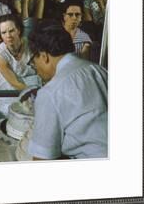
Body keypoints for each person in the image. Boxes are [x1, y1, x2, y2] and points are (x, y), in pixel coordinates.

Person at [27, 21, 108, 159]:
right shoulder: (99, 70)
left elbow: (41, 159)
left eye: (33, 63)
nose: (36, 69)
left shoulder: (50, 92)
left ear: (43, 56)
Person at [0, 14, 41, 126]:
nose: (8, 36)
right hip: (9, 83)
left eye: (11, 31)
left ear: (19, 30)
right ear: (0, 35)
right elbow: (14, 82)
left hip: (31, 79)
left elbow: (40, 69)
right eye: (3, 33)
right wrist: (32, 94)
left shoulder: (32, 45)